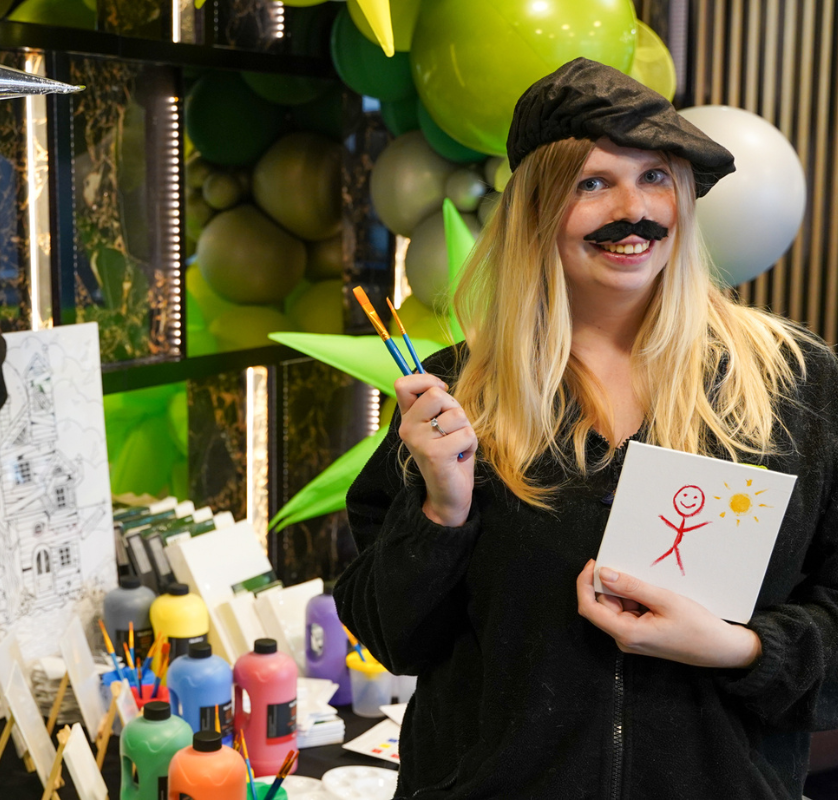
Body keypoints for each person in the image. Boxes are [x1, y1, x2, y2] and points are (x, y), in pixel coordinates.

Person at [335, 58, 838, 799]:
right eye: (593, 183)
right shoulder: (456, 392)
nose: (632, 210)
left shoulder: (794, 384)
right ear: (539, 209)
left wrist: (740, 648)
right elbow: (393, 636)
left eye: (657, 177)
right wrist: (441, 509)